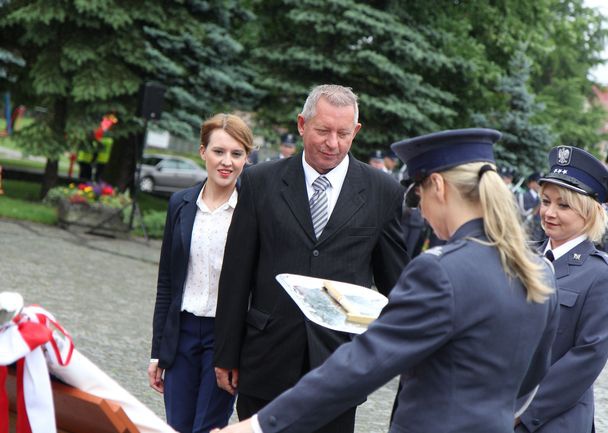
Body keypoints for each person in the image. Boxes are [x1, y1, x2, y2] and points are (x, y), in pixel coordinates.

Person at [213, 128, 559, 433]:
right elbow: (534, 373)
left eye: (419, 196)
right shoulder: (539, 271)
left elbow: (362, 365)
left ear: (437, 186)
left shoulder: (441, 272)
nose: (421, 211)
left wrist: (260, 425)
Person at [212, 84, 409, 433]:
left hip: (339, 367)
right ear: (302, 125)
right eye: (323, 130)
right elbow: (236, 273)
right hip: (265, 359)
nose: (332, 143)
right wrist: (226, 353)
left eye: (343, 133)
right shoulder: (260, 182)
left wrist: (390, 358)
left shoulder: (383, 192)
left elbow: (396, 285)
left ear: (356, 132)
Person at [149, 113, 254, 433]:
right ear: (202, 152)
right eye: (219, 151)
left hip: (225, 338)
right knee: (176, 426)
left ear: (246, 158)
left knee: (208, 427)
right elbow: (167, 281)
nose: (227, 162)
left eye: (237, 154)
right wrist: (157, 351)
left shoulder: (253, 210)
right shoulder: (181, 203)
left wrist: (237, 351)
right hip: (181, 334)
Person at [515, 145, 608, 433]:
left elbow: (587, 357)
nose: (549, 212)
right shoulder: (523, 259)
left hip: (551, 419)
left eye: (563, 205)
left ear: (588, 213)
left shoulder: (604, 275)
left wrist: (522, 413)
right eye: (546, 201)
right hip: (497, 407)